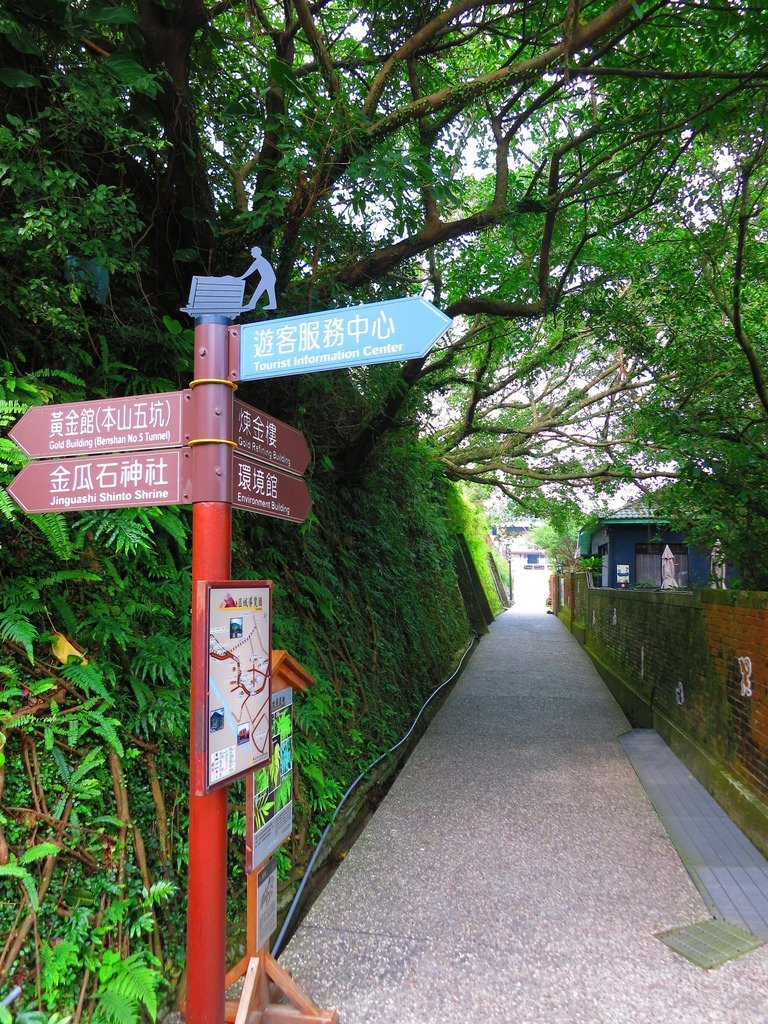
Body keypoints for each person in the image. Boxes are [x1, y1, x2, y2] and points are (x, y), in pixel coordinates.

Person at [242, 246, 277, 311]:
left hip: (268, 278)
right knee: (264, 291)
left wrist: (241, 278)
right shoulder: (260, 260)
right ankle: (252, 304)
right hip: (267, 278)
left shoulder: (259, 261)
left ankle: (252, 305)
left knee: (260, 291)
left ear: (256, 252)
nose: (251, 254)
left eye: (252, 252)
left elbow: (250, 271)